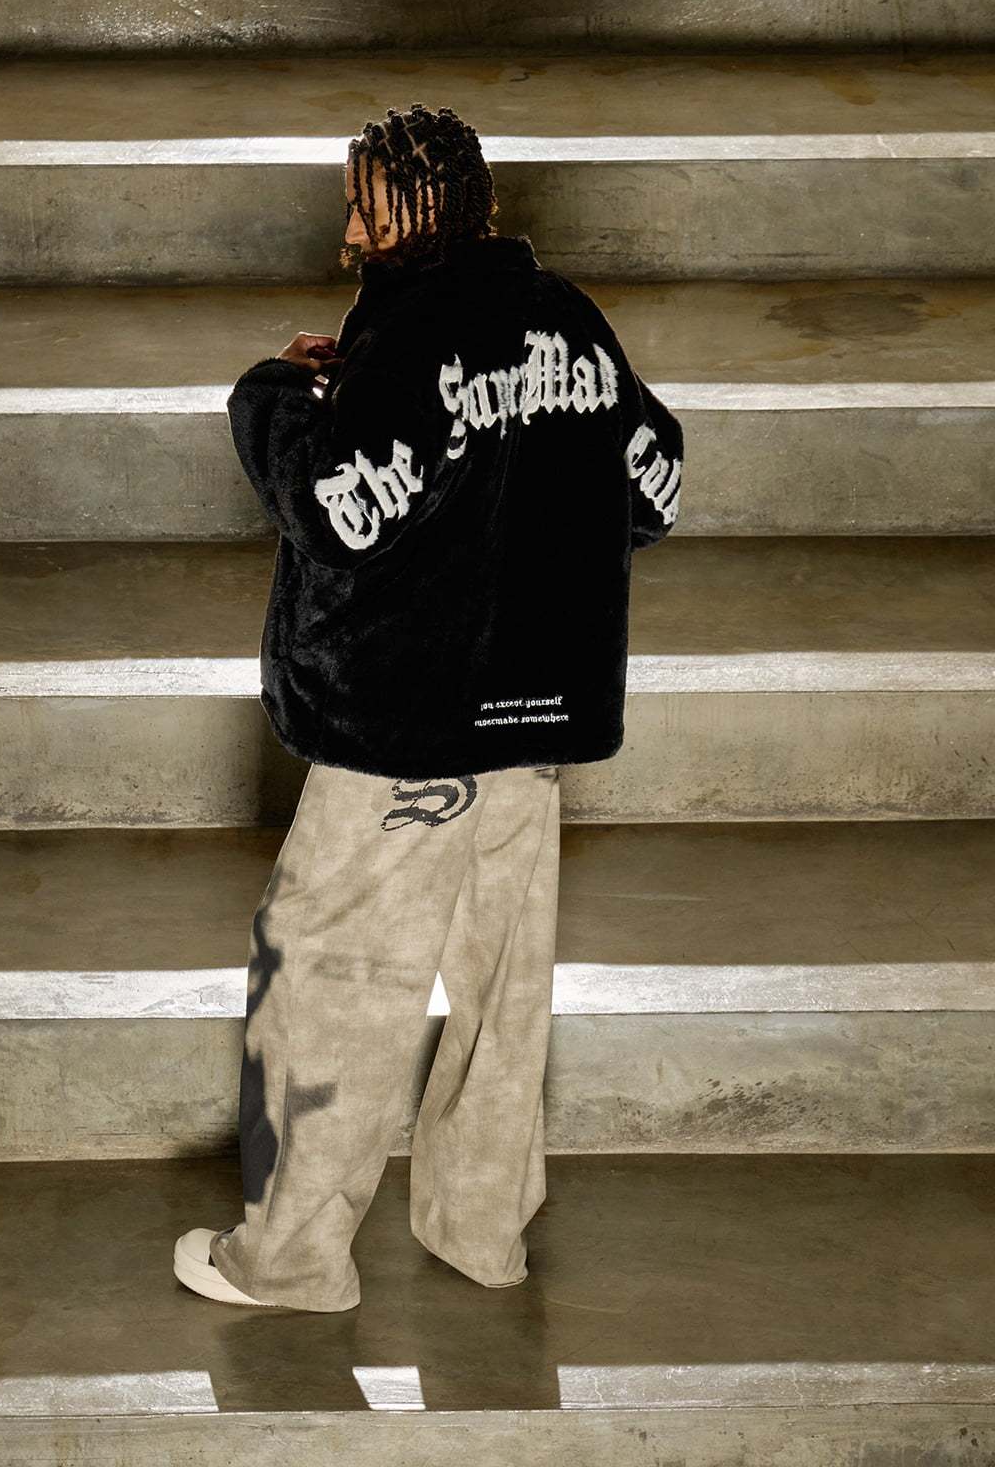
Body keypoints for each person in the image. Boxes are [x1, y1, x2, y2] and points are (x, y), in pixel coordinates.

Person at [173, 103, 683, 1312]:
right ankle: (481, 1230)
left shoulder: (413, 337)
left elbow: (342, 508)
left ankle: (290, 1260)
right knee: (505, 991)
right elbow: (655, 481)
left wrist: (276, 397)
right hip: (531, 730)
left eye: (363, 209)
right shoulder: (570, 319)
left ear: (412, 214)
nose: (347, 234)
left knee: (332, 979)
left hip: (405, 731)